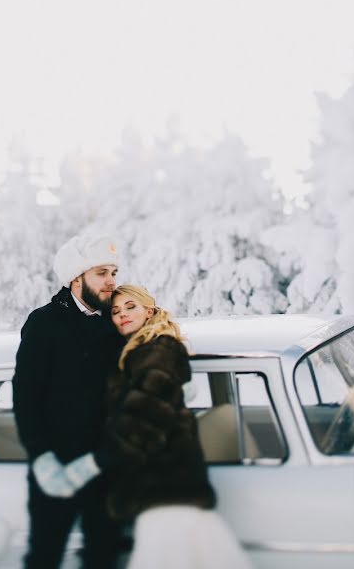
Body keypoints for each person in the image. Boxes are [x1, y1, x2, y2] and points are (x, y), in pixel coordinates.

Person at [104, 284, 253, 569]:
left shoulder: (159, 348)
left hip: (163, 483)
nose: (122, 314)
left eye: (130, 306)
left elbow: (145, 412)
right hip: (165, 481)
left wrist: (100, 459)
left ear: (149, 310)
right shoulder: (140, 351)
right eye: (115, 311)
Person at [13, 234, 126, 569]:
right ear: (77, 278)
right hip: (57, 467)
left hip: (104, 466)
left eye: (114, 272)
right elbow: (26, 394)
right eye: (102, 273)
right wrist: (42, 457)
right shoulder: (44, 323)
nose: (111, 281)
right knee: (45, 556)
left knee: (103, 557)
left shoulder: (118, 320)